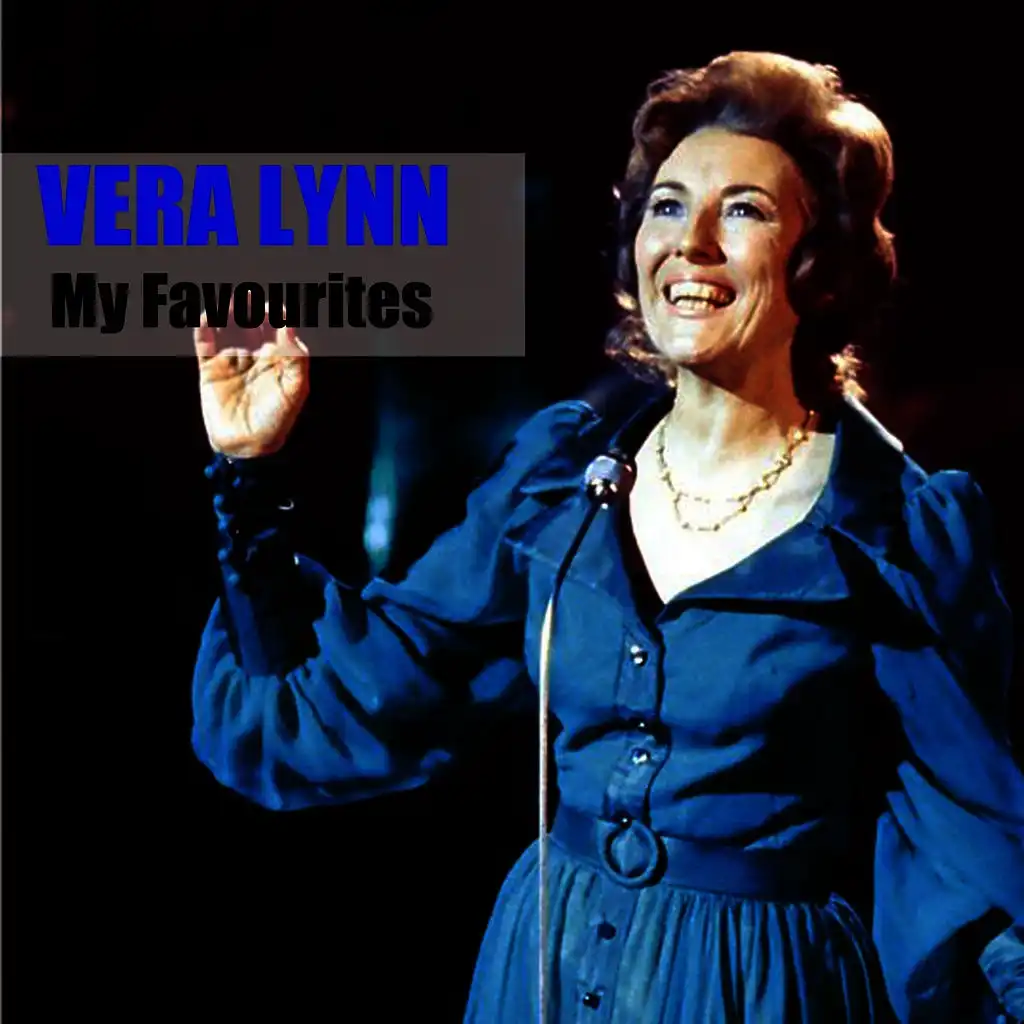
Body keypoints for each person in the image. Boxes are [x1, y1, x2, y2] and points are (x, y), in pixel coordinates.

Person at [189, 52, 1024, 1023]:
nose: (691, 243)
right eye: (667, 207)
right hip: (543, 963)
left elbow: (974, 833)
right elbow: (363, 687)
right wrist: (249, 475)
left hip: (755, 990)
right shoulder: (560, 482)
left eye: (743, 211)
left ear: (819, 262)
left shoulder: (892, 531)